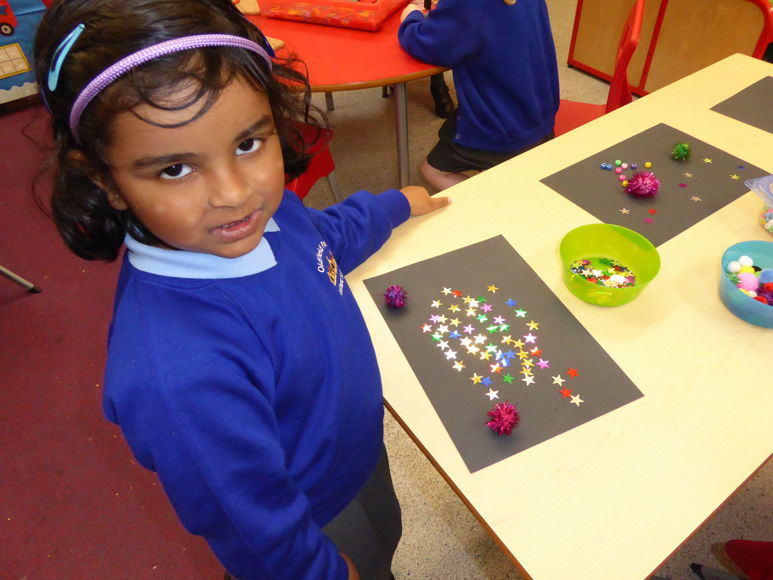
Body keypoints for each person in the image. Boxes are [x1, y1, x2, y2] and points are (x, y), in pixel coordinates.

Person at [33, 1, 448, 579]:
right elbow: (250, 524)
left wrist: (391, 207)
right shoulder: (176, 373)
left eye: (249, 143)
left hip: (352, 455)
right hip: (309, 520)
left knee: (384, 544)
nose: (233, 193)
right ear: (107, 182)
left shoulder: (264, 216)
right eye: (174, 169)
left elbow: (318, 240)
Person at [398, 0, 560, 191]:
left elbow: (430, 44)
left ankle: (492, 202)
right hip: (539, 111)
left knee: (432, 171)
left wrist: (410, 18)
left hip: (500, 127)